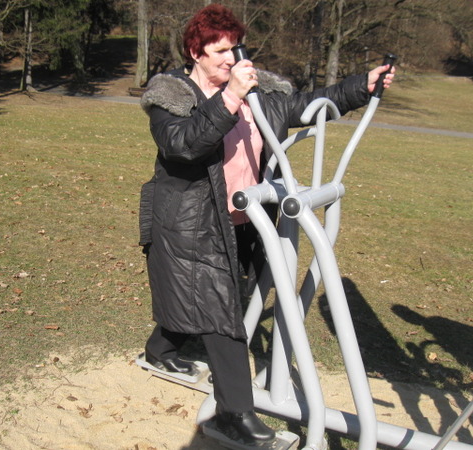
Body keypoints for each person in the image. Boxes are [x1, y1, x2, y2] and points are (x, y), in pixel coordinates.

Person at [138, 3, 395, 445]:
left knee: (211, 292)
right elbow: (182, 145)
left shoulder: (260, 94)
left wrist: (362, 85)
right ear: (195, 53)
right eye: (219, 50)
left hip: (246, 217)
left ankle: (160, 349)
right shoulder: (172, 95)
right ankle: (234, 415)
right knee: (220, 308)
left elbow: (310, 105)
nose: (231, 58)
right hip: (189, 221)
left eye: (235, 48)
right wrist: (230, 97)